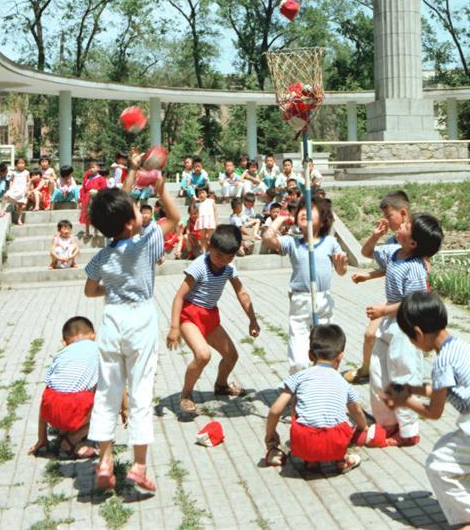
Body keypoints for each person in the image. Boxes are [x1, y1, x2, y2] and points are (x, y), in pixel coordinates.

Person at [83, 154, 181, 493]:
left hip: (111, 318)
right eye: (137, 212)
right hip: (140, 317)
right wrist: (160, 188)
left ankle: (105, 461)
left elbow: (90, 289)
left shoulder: (103, 255)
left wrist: (133, 175)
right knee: (140, 391)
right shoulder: (146, 244)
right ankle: (139, 466)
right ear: (129, 223)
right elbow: (176, 218)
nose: (143, 214)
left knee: (108, 391)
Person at [385, 292, 470, 530]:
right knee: (453, 459)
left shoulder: (442, 362)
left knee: (437, 466)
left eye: (410, 338)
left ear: (417, 332)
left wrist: (405, 401)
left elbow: (434, 412)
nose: (413, 344)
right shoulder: (459, 347)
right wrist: (412, 388)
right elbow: (442, 390)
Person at [362, 213, 444, 447]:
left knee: (403, 374)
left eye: (407, 226)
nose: (401, 226)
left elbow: (412, 302)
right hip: (388, 323)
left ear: (413, 243)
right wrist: (375, 236)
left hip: (405, 326)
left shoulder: (415, 268)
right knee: (378, 373)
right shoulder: (393, 253)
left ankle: (408, 431)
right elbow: (367, 253)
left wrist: (383, 310)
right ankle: (386, 423)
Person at [166, 225, 260, 416]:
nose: (222, 262)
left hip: (210, 315)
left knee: (232, 355)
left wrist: (253, 320)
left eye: (229, 258)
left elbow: (241, 293)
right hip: (189, 315)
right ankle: (186, 394)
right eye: (219, 256)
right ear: (209, 247)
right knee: (203, 355)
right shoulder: (199, 266)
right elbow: (179, 297)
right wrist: (174, 327)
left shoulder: (228, 267)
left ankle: (221, 385)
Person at [265, 324, 367, 472]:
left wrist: (270, 435)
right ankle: (342, 460)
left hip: (304, 442)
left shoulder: (299, 377)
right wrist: (363, 427)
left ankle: (311, 461)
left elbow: (275, 410)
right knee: (341, 422)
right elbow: (356, 411)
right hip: (336, 443)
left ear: (310, 355)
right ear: (341, 355)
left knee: (297, 405)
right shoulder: (343, 382)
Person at [263, 198, 348, 373]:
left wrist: (341, 264)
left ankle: (326, 378)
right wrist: (281, 218)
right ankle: (298, 381)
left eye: (310, 211)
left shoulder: (330, 242)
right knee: (299, 348)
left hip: (323, 298)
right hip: (300, 299)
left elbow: (341, 271)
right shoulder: (293, 241)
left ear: (323, 220)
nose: (303, 212)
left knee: (326, 341)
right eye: (301, 209)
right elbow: (268, 238)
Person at [345, 190, 414, 384]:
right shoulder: (394, 240)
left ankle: (403, 384)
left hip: (409, 301)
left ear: (403, 213)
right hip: (393, 299)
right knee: (370, 334)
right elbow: (390, 265)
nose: (386, 220)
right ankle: (367, 370)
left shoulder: (417, 236)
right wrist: (368, 275)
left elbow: (415, 268)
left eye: (388, 216)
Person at [27, 316, 101, 460]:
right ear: (94, 336)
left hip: (51, 410)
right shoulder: (97, 349)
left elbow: (46, 396)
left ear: (64, 342)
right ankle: (70, 441)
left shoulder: (60, 355)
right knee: (107, 404)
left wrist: (41, 438)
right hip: (73, 407)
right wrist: (124, 408)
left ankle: (65, 432)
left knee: (57, 394)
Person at [79, 161, 107, 239]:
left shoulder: (101, 178)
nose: (91, 169)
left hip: (96, 199)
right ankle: (87, 231)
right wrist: (81, 199)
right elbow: (83, 189)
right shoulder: (87, 178)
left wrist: (98, 191)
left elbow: (104, 188)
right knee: (87, 215)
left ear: (98, 168)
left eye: (93, 167)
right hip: (87, 199)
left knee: (96, 215)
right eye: (90, 167)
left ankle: (96, 231)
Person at [1, 157, 30, 225]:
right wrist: (10, 188)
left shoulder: (26, 172)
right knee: (6, 195)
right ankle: (2, 210)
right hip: (14, 189)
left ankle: (19, 219)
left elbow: (28, 181)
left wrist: (27, 189)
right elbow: (11, 180)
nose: (21, 165)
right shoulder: (14, 173)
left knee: (20, 205)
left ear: (25, 164)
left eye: (22, 163)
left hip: (22, 190)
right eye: (19, 163)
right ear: (16, 164)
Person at [192, 184, 217, 254]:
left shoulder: (211, 201)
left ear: (207, 193)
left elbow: (215, 211)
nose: (201, 195)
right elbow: (194, 212)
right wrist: (193, 203)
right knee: (202, 238)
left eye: (203, 192)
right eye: (199, 193)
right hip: (201, 221)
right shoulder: (197, 203)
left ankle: (211, 251)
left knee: (210, 238)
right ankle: (204, 251)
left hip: (210, 220)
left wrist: (215, 221)